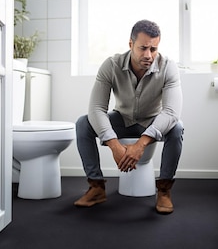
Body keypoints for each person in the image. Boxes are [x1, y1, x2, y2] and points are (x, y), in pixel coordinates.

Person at [74, 19, 184, 214]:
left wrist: (141, 144)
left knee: (176, 127)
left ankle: (164, 191)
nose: (148, 55)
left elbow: (170, 112)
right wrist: (114, 145)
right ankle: (97, 187)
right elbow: (96, 108)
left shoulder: (168, 67)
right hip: (122, 120)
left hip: (151, 121)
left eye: (154, 49)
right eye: (143, 48)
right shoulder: (111, 65)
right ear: (131, 44)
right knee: (83, 123)